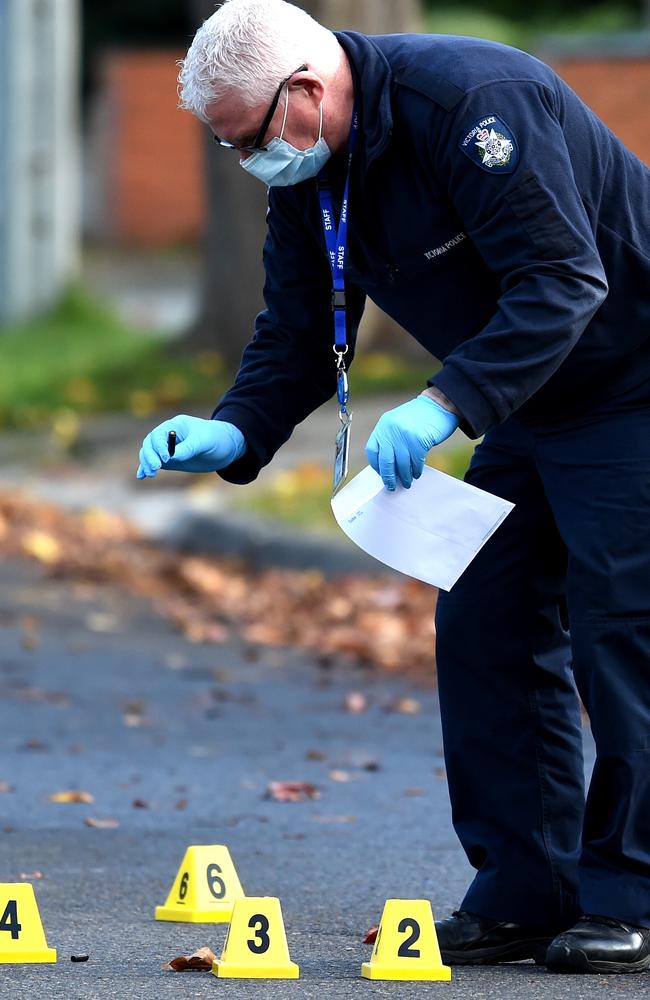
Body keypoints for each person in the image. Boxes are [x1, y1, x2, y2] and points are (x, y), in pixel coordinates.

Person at [137, 0, 650, 974]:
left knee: (620, 625)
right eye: (225, 146)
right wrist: (234, 428)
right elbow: (294, 329)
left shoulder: (473, 104)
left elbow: (560, 279)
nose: (247, 162)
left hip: (628, 379)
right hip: (526, 396)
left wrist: (440, 403)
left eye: (247, 139)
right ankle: (525, 889)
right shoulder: (311, 164)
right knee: (482, 621)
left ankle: (629, 889)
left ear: (304, 91)